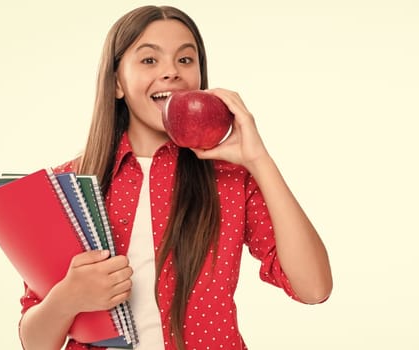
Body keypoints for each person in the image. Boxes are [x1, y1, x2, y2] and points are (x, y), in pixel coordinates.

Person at [17, 5, 332, 350]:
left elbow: (313, 288)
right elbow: (35, 342)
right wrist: (68, 298)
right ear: (116, 83)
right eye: (149, 60)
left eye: (185, 60)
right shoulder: (69, 185)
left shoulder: (230, 179)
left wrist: (259, 160)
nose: (171, 72)